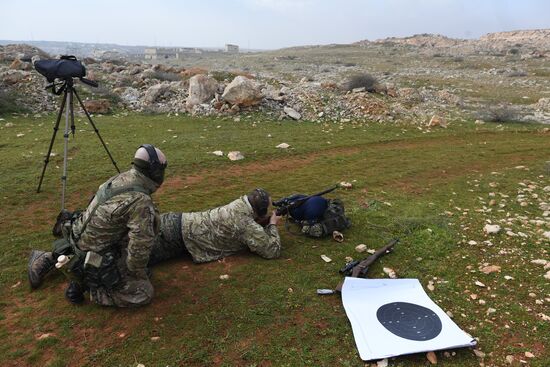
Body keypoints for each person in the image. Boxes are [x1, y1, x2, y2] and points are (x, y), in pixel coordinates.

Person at [28, 144, 167, 307]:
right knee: (143, 293)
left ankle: (55, 258)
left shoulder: (121, 178)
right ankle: (91, 286)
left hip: (77, 234)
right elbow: (139, 247)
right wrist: (137, 274)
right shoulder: (141, 202)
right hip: (95, 252)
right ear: (155, 172)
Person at [148, 188, 282, 265]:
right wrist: (272, 224)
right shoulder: (246, 224)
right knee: (135, 257)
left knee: (134, 232)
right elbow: (271, 251)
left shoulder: (240, 203)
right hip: (176, 237)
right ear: (260, 210)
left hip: (175, 219)